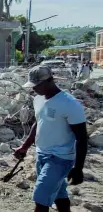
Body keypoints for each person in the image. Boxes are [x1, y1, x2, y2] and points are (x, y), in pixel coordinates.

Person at [14, 66, 88, 212]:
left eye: (36, 86)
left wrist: (78, 168)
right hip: (42, 154)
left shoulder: (69, 104)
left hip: (60, 158)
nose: (33, 89)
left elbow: (82, 138)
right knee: (59, 195)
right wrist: (25, 146)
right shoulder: (38, 99)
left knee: (41, 198)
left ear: (49, 81)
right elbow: (38, 122)